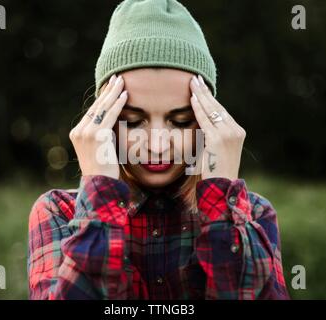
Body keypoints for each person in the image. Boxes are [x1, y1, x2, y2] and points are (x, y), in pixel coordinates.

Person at [27, 0, 290, 300]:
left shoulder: (252, 215)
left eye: (180, 121)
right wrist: (100, 202)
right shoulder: (59, 213)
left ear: (206, 124)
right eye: (133, 121)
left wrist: (223, 208)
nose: (156, 145)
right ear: (106, 121)